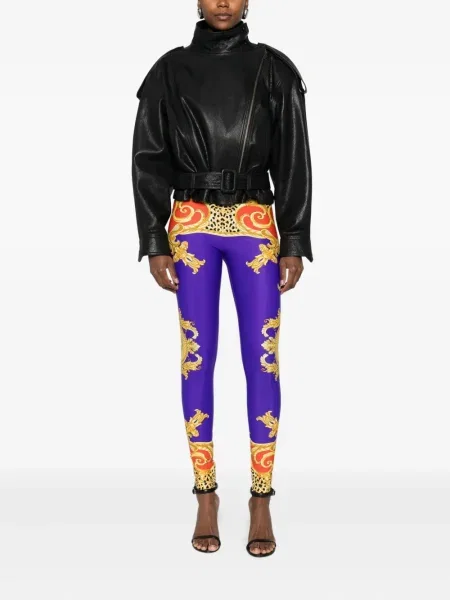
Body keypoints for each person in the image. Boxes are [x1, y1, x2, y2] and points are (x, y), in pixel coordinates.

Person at [131, 0, 313, 557]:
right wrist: (154, 238)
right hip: (190, 226)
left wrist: (294, 237)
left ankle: (261, 497)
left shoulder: (274, 68)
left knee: (262, 359)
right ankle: (205, 494)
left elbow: (294, 158)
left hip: (255, 224)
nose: (223, 3)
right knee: (197, 357)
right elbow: (147, 158)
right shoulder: (168, 70)